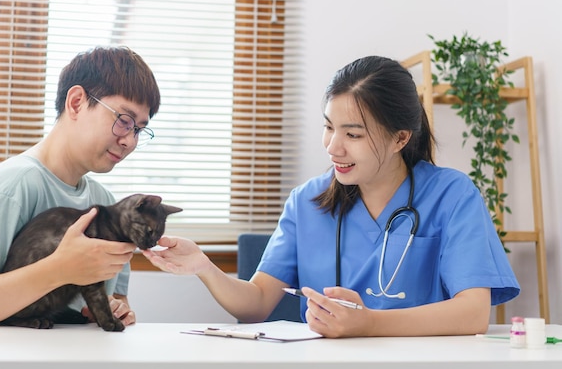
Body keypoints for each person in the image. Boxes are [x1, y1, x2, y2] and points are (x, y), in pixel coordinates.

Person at [143, 55, 520, 338]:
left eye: (352, 135)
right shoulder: (307, 202)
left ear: (400, 139)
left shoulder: (451, 195)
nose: (333, 147)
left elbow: (473, 313)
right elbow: (257, 303)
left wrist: (369, 323)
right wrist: (204, 267)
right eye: (328, 128)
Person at [0, 46, 160, 336]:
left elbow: (113, 300)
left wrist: (113, 308)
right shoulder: (14, 185)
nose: (130, 141)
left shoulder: (105, 203)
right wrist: (58, 269)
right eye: (124, 121)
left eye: (139, 130)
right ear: (77, 103)